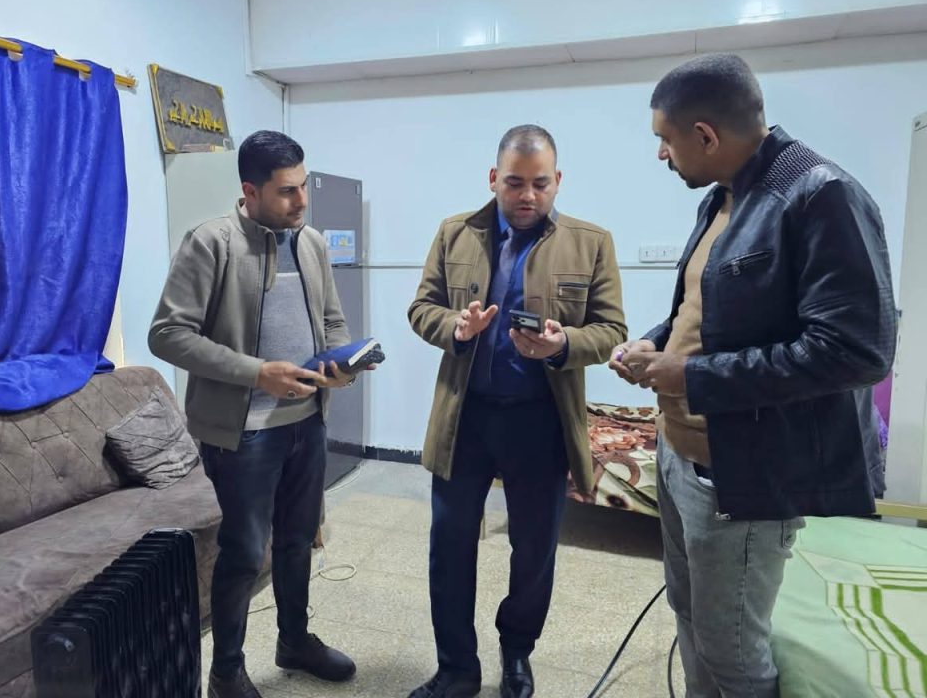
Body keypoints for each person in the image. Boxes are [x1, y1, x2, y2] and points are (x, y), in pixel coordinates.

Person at [610, 54, 897, 697]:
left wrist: (690, 375)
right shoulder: (722, 196)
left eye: (665, 138)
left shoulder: (821, 195)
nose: (661, 153)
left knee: (733, 650)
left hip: (743, 471)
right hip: (679, 454)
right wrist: (654, 343)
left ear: (705, 135)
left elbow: (855, 351)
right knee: (690, 618)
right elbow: (703, 310)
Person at [407, 124, 627, 698]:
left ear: (558, 181)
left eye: (540, 183)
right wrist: (455, 328)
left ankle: (517, 651)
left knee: (533, 550)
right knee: (450, 545)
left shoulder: (591, 242)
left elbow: (611, 330)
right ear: (493, 179)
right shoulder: (455, 233)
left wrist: (562, 344)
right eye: (514, 183)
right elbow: (422, 307)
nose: (527, 195)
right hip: (465, 418)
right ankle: (457, 668)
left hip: (540, 421)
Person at [149, 130, 366, 698]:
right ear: (250, 190)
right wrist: (256, 372)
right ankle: (225, 672)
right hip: (244, 435)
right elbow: (168, 334)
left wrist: (339, 365)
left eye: (303, 186)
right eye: (287, 191)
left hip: (307, 425)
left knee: (298, 540)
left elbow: (333, 320)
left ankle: (294, 641)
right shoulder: (211, 243)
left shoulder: (310, 243)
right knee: (245, 552)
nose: (301, 201)